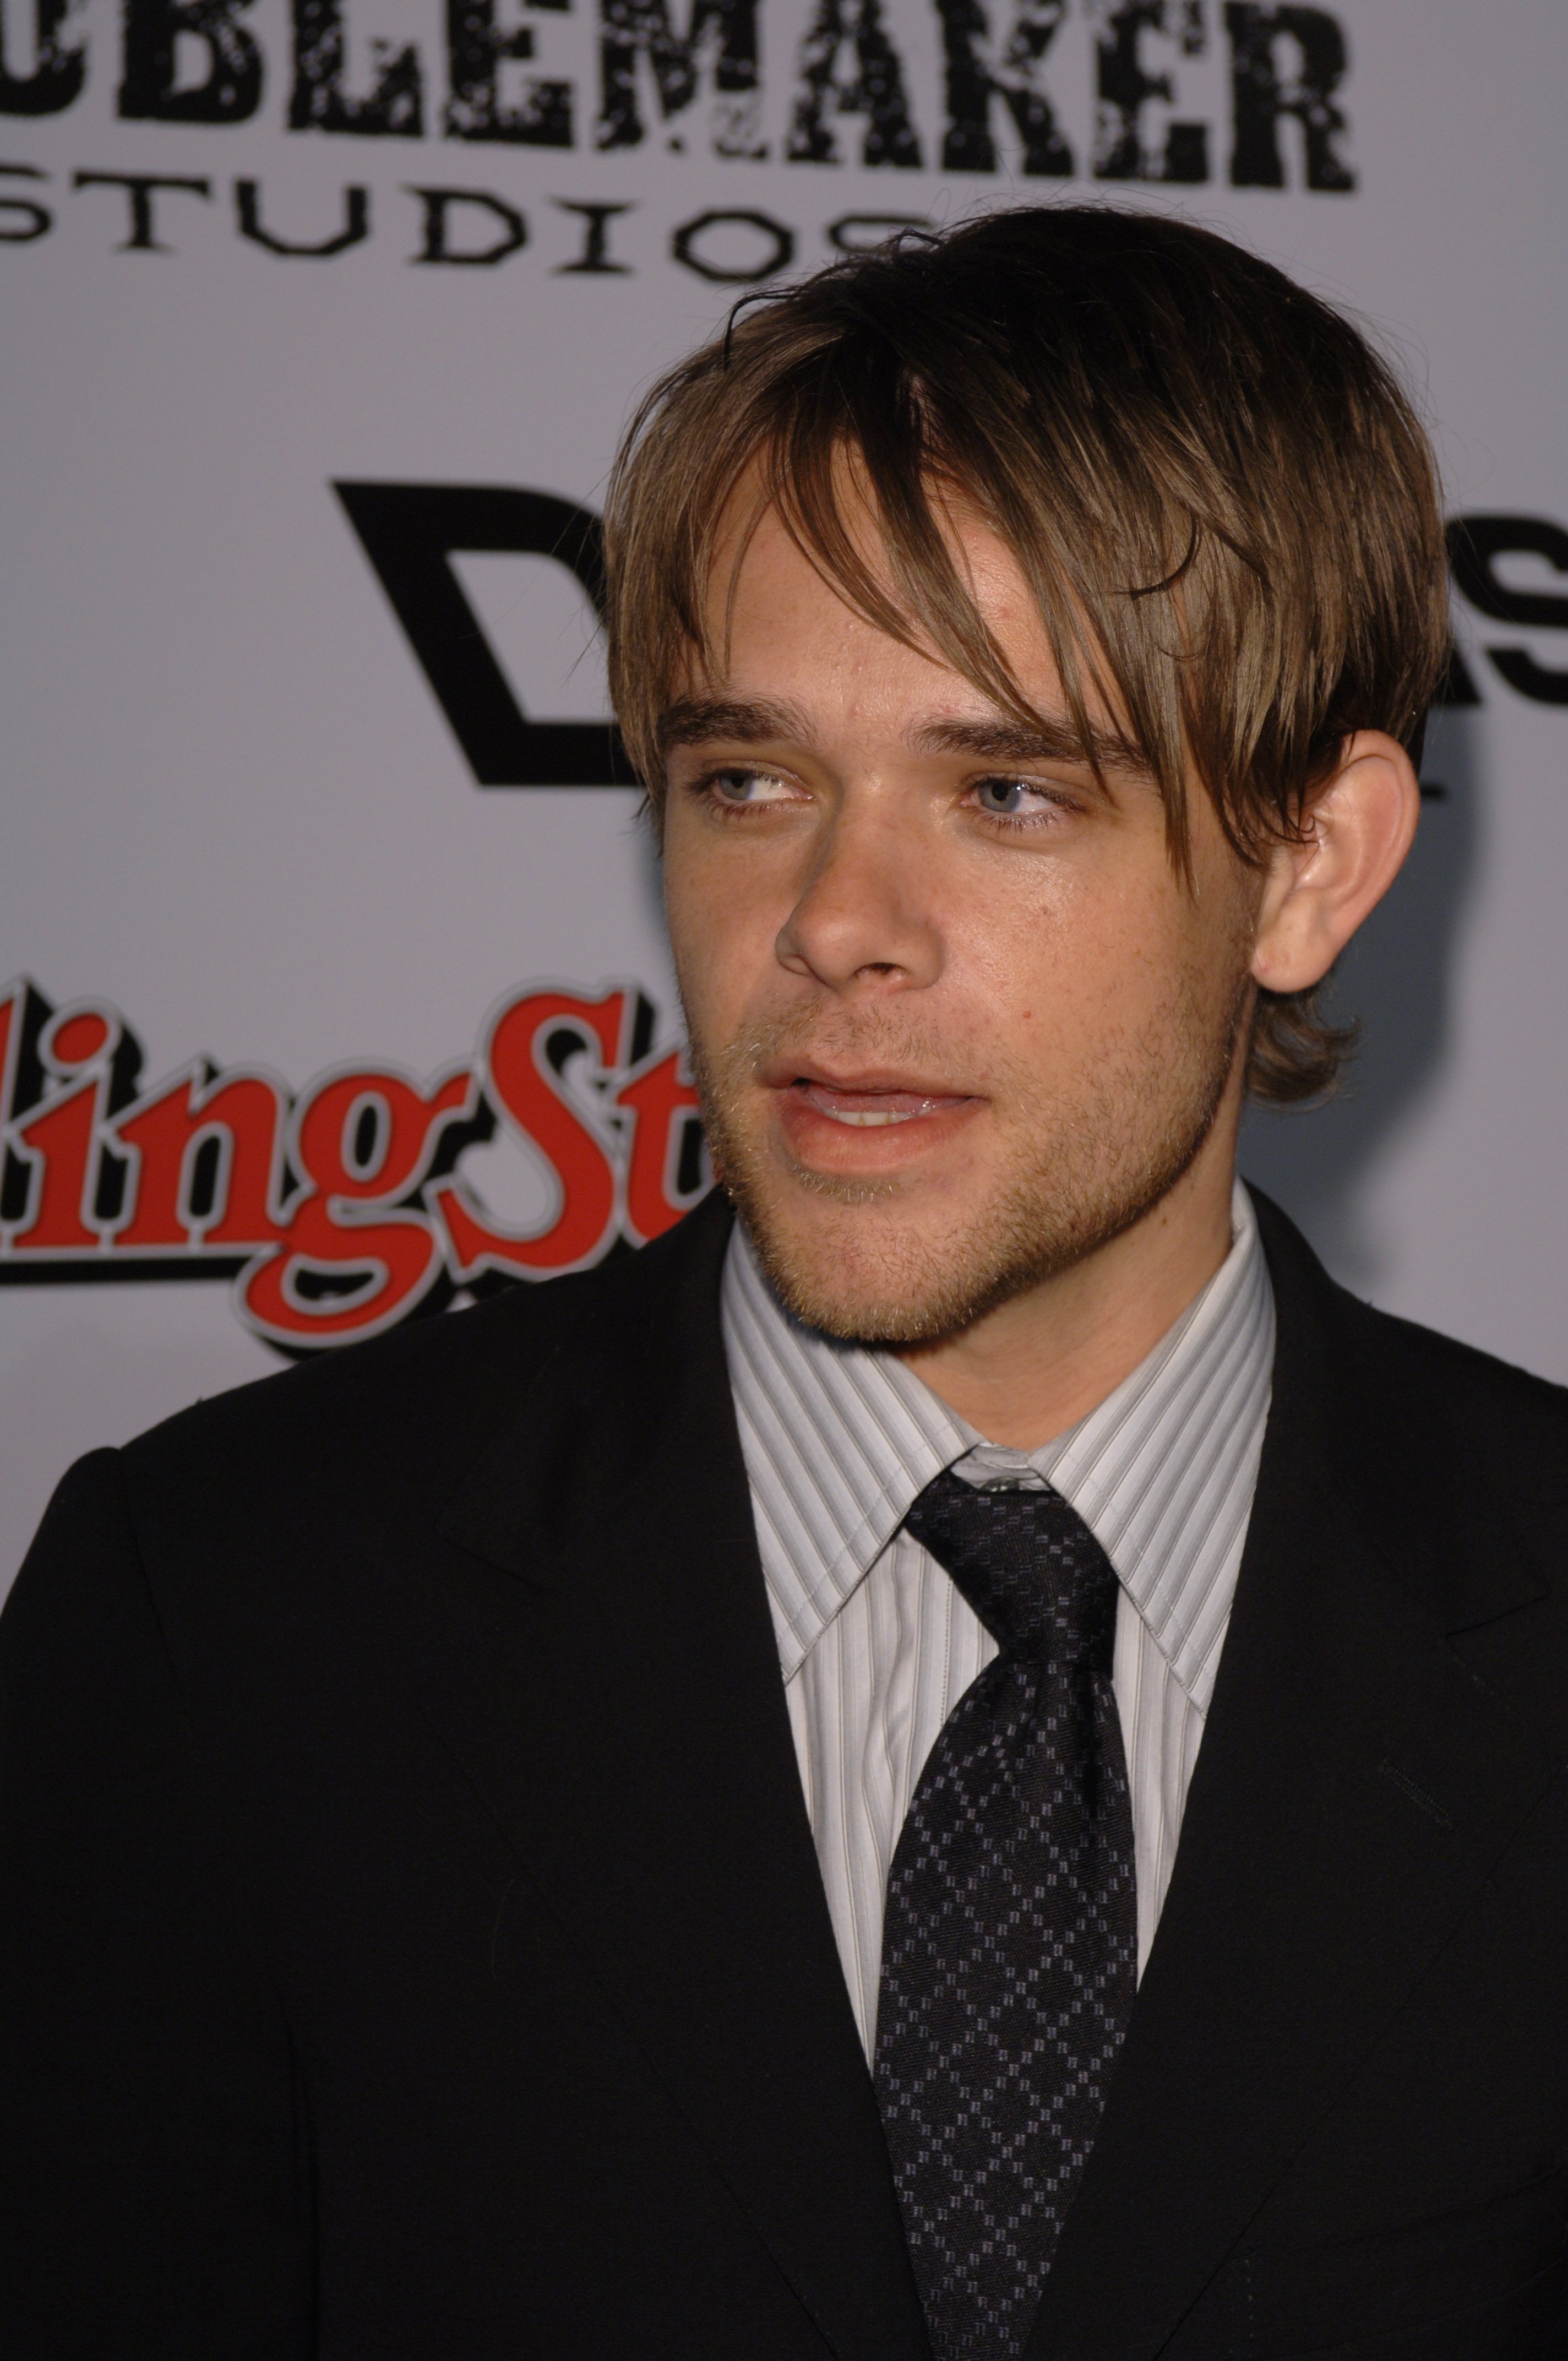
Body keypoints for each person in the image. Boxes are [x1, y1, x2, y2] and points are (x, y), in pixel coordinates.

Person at [3, 206, 1565, 2361]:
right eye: (748, 779)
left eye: (1004, 786)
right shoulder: (226, 1612)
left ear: (1310, 861)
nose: (831, 920)